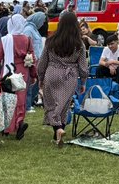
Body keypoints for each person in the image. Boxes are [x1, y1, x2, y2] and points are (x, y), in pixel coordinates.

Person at [37, 9, 89, 147]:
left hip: (52, 73)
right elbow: (83, 66)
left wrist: (41, 78)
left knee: (51, 104)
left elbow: (42, 62)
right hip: (70, 76)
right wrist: (83, 81)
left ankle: (57, 131)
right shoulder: (79, 44)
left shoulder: (51, 41)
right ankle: (59, 130)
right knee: (63, 106)